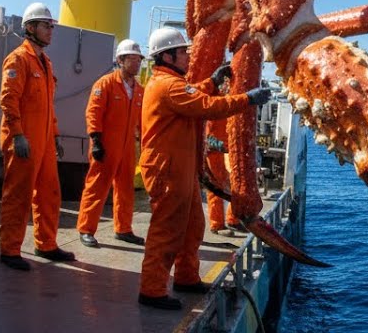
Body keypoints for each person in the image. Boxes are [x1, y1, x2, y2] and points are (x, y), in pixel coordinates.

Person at [137, 27, 271, 310]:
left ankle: (186, 277)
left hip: (179, 168)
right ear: (167, 56)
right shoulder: (167, 86)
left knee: (192, 227)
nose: (187, 55)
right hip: (168, 170)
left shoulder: (169, 83)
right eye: (182, 51)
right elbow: (206, 106)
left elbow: (194, 93)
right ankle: (151, 290)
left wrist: (212, 81)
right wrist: (248, 99)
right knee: (167, 230)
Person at [0, 2, 76, 270]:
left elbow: (48, 105)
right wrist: (18, 135)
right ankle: (9, 250)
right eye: (46, 25)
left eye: (51, 26)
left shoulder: (45, 62)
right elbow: (9, 101)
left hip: (42, 141)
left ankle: (46, 244)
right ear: (30, 28)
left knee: (49, 193)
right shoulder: (18, 59)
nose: (51, 30)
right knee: (18, 196)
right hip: (24, 141)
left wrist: (53, 136)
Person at [76, 38, 146, 248]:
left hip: (127, 149)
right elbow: (93, 112)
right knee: (97, 187)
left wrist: (144, 143)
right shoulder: (105, 84)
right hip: (106, 146)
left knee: (125, 189)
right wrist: (96, 140)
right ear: (120, 60)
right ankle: (86, 229)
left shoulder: (140, 90)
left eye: (139, 59)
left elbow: (142, 121)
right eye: (132, 59)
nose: (137, 63)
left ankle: (124, 229)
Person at [205, 117, 242, 236]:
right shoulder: (214, 106)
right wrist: (215, 143)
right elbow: (206, 133)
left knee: (236, 183)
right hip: (215, 152)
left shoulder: (228, 107)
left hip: (228, 149)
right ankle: (217, 224)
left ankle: (233, 219)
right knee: (216, 187)